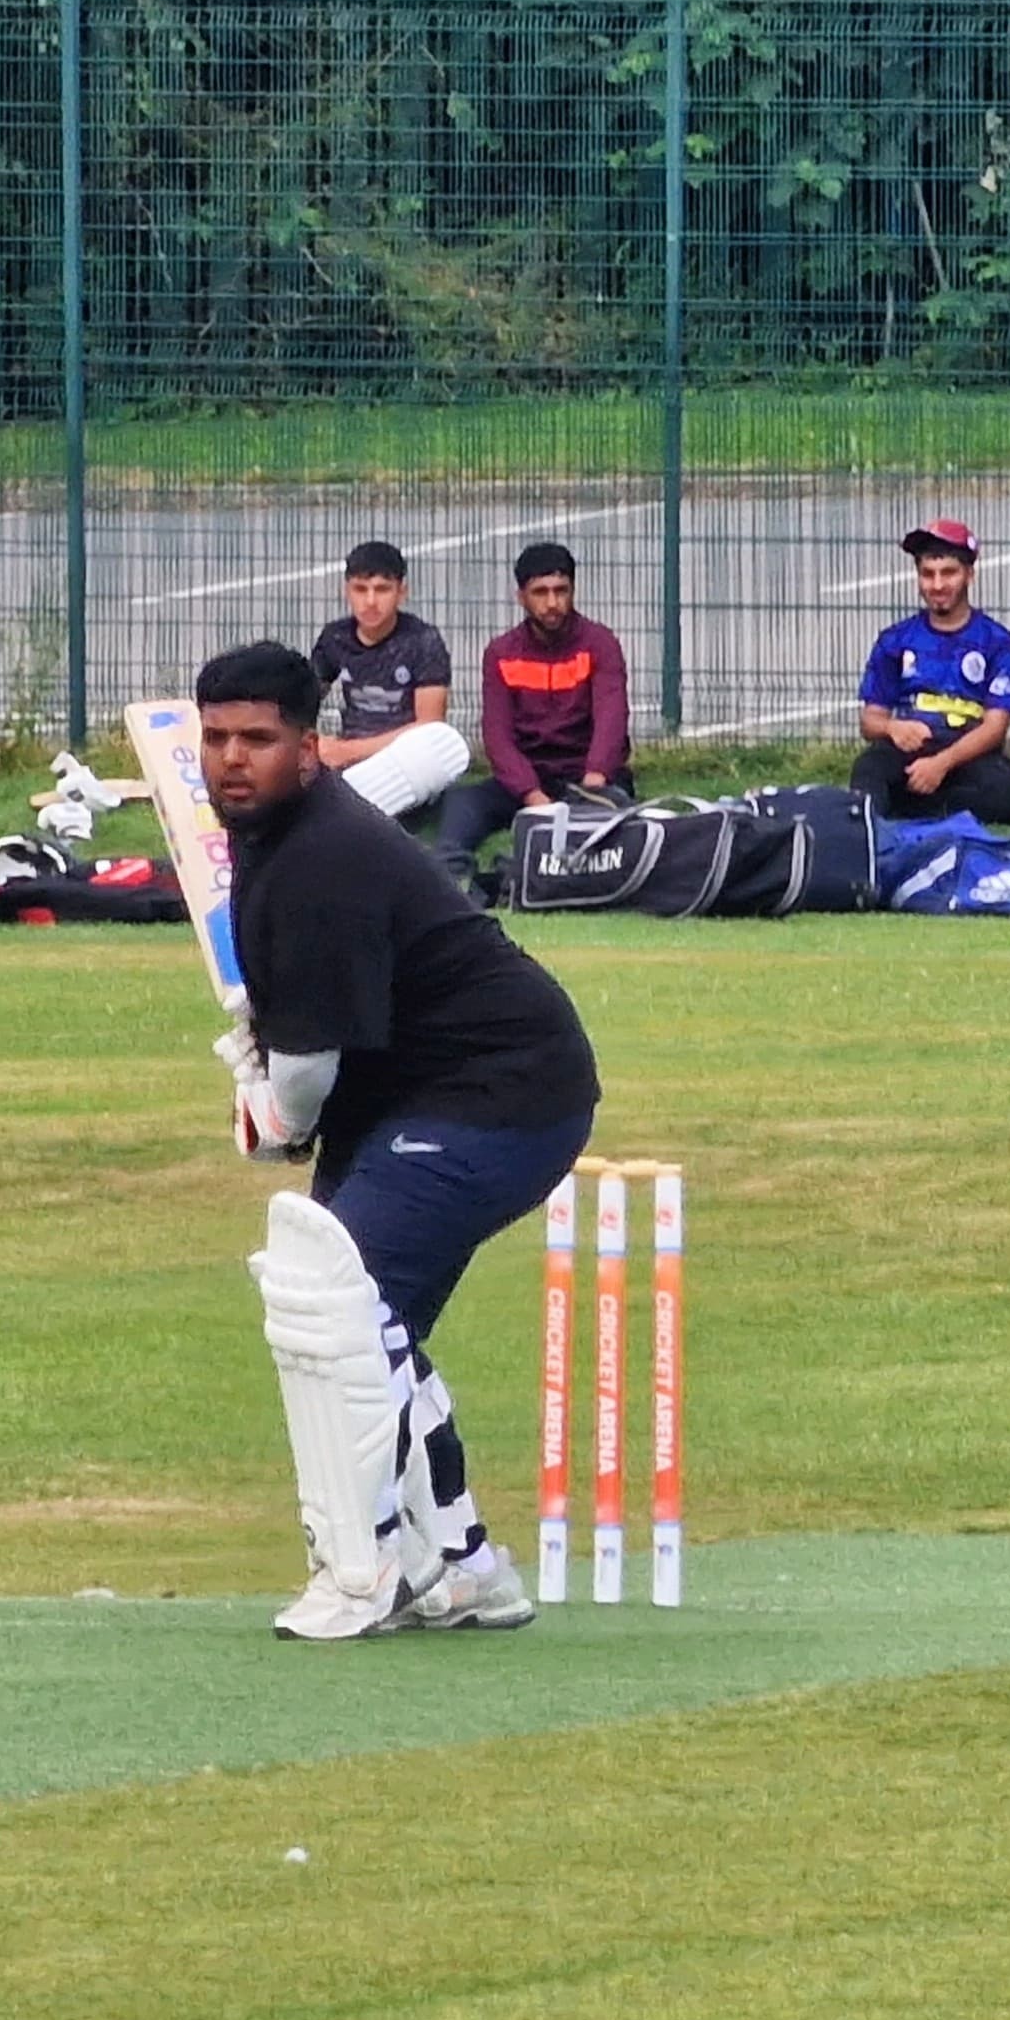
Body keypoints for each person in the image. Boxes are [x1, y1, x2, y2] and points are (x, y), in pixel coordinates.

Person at [197, 642, 599, 1640]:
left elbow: (302, 1084)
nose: (232, 759)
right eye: (214, 738)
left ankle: (363, 1569)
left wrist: (268, 1122)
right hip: (403, 1092)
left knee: (341, 1307)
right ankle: (463, 1568)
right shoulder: (268, 836)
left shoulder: (321, 860)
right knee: (361, 1320)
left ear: (309, 745)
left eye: (258, 738)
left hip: (499, 1090)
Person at [431, 541, 635, 888]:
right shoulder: (501, 653)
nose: (552, 602)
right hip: (525, 780)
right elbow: (497, 737)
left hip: (586, 779)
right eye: (540, 592)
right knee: (462, 803)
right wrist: (532, 796)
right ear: (521, 596)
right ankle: (450, 876)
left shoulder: (600, 643)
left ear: (573, 591)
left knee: (608, 811)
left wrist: (595, 778)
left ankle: (520, 872)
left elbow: (612, 720)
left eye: (561, 591)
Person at [851, 518, 1010, 824]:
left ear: (969, 575)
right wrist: (894, 729)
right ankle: (903, 816)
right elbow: (870, 720)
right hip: (910, 748)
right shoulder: (895, 639)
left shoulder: (998, 641)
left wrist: (942, 764)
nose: (937, 585)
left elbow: (995, 728)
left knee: (1004, 798)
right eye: (927, 575)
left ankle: (911, 808)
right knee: (868, 770)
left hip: (968, 753)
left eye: (948, 573)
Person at [307, 539, 470, 824]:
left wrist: (346, 751)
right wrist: (314, 744)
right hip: (351, 760)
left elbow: (429, 727)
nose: (370, 601)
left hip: (406, 760)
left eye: (382, 590)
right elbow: (302, 702)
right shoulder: (335, 638)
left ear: (401, 592)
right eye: (360, 589)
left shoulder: (423, 641)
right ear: (347, 591)